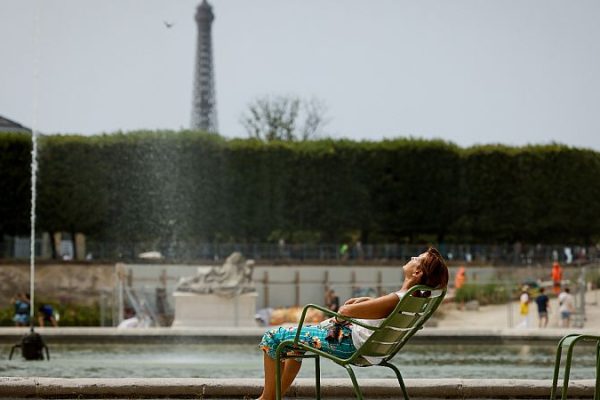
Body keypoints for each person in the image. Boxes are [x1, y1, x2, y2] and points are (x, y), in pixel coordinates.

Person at [257, 248, 449, 400]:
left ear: (417, 272)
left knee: (272, 337)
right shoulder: (408, 300)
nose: (412, 258)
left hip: (348, 344)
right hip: (367, 348)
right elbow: (378, 310)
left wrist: (345, 314)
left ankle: (266, 399)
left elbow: (344, 312)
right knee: (294, 345)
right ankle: (274, 398)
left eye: (416, 258)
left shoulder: (396, 299)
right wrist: (366, 302)